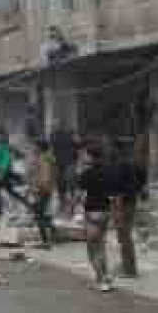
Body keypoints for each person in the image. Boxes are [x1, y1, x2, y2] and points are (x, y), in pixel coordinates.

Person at [77, 144, 115, 292]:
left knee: (93, 248)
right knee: (101, 245)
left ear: (91, 156)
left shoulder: (87, 173)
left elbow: (79, 190)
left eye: (86, 154)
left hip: (92, 211)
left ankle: (101, 280)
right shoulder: (109, 171)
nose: (84, 157)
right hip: (105, 211)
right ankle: (106, 276)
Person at [106, 143, 146, 279]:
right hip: (127, 202)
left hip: (123, 203)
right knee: (122, 235)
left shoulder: (122, 165)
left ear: (117, 150)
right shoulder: (132, 163)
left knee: (124, 235)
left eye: (111, 149)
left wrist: (120, 196)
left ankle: (130, 269)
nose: (109, 151)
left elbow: (124, 185)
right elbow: (140, 181)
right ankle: (126, 265)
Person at [0, 129, 30, 217]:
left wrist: (1, 172)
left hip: (3, 173)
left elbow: (6, 160)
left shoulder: (5, 147)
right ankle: (27, 204)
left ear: (3, 136)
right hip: (1, 173)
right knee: (9, 191)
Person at [28, 139, 58, 248]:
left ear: (40, 148)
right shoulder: (45, 158)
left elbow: (45, 176)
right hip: (44, 189)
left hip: (42, 190)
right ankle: (53, 232)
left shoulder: (44, 159)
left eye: (34, 146)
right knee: (41, 213)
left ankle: (45, 241)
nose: (32, 148)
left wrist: (39, 189)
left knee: (39, 215)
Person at [51, 123, 80, 217]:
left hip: (63, 164)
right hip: (66, 163)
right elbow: (78, 147)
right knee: (68, 186)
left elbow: (52, 150)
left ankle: (64, 206)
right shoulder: (70, 136)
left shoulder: (54, 136)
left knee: (64, 186)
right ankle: (68, 207)